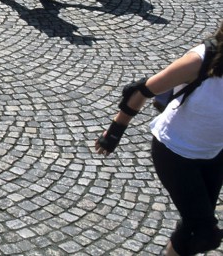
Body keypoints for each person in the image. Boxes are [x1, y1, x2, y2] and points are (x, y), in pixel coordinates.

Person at [94, 20, 223, 256]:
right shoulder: (201, 60)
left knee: (192, 226)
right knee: (206, 234)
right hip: (175, 151)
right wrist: (114, 132)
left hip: (214, 153)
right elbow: (140, 90)